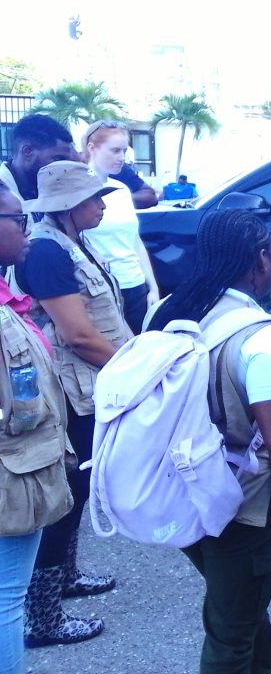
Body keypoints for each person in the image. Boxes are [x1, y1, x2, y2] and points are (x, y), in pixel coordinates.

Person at [146, 209, 271, 674]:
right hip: (244, 504)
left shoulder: (169, 309)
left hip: (181, 488)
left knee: (238, 608)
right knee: (231, 634)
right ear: (261, 259)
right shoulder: (263, 338)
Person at [16, 161, 133, 647]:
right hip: (72, 387)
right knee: (65, 493)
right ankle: (41, 617)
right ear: (69, 205)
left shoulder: (70, 243)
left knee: (79, 486)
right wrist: (137, 370)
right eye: (94, 197)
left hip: (89, 383)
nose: (102, 204)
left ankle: (64, 577)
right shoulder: (46, 252)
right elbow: (79, 335)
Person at [0, 183, 73, 670]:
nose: (28, 232)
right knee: (7, 600)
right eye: (17, 220)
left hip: (21, 469)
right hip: (12, 475)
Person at [80, 120, 160, 334]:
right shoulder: (77, 192)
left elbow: (135, 241)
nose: (122, 157)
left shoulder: (122, 189)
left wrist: (151, 287)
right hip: (100, 291)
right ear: (92, 148)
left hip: (135, 287)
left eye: (124, 150)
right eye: (115, 150)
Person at [0, 115, 76, 221]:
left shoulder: (45, 188)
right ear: (27, 151)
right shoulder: (3, 194)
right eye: (58, 159)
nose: (64, 168)